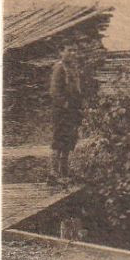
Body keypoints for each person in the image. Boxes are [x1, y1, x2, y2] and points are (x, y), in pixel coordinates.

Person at [48, 43, 87, 183]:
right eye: (69, 50)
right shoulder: (59, 68)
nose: (73, 53)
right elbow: (55, 91)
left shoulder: (73, 69)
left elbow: (77, 90)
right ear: (61, 52)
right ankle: (53, 174)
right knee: (59, 140)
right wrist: (65, 105)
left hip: (72, 111)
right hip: (62, 112)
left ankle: (64, 172)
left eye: (75, 51)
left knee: (69, 140)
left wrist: (79, 106)